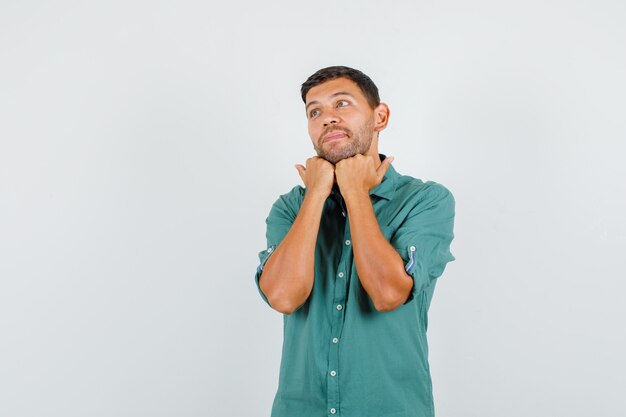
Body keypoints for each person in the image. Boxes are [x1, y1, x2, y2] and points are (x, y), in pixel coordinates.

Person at [254, 65, 456, 417]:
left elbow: (388, 294)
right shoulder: (290, 207)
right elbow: (284, 296)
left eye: (342, 104)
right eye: (314, 111)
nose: (327, 119)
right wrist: (316, 193)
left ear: (380, 116)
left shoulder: (426, 200)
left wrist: (355, 192)